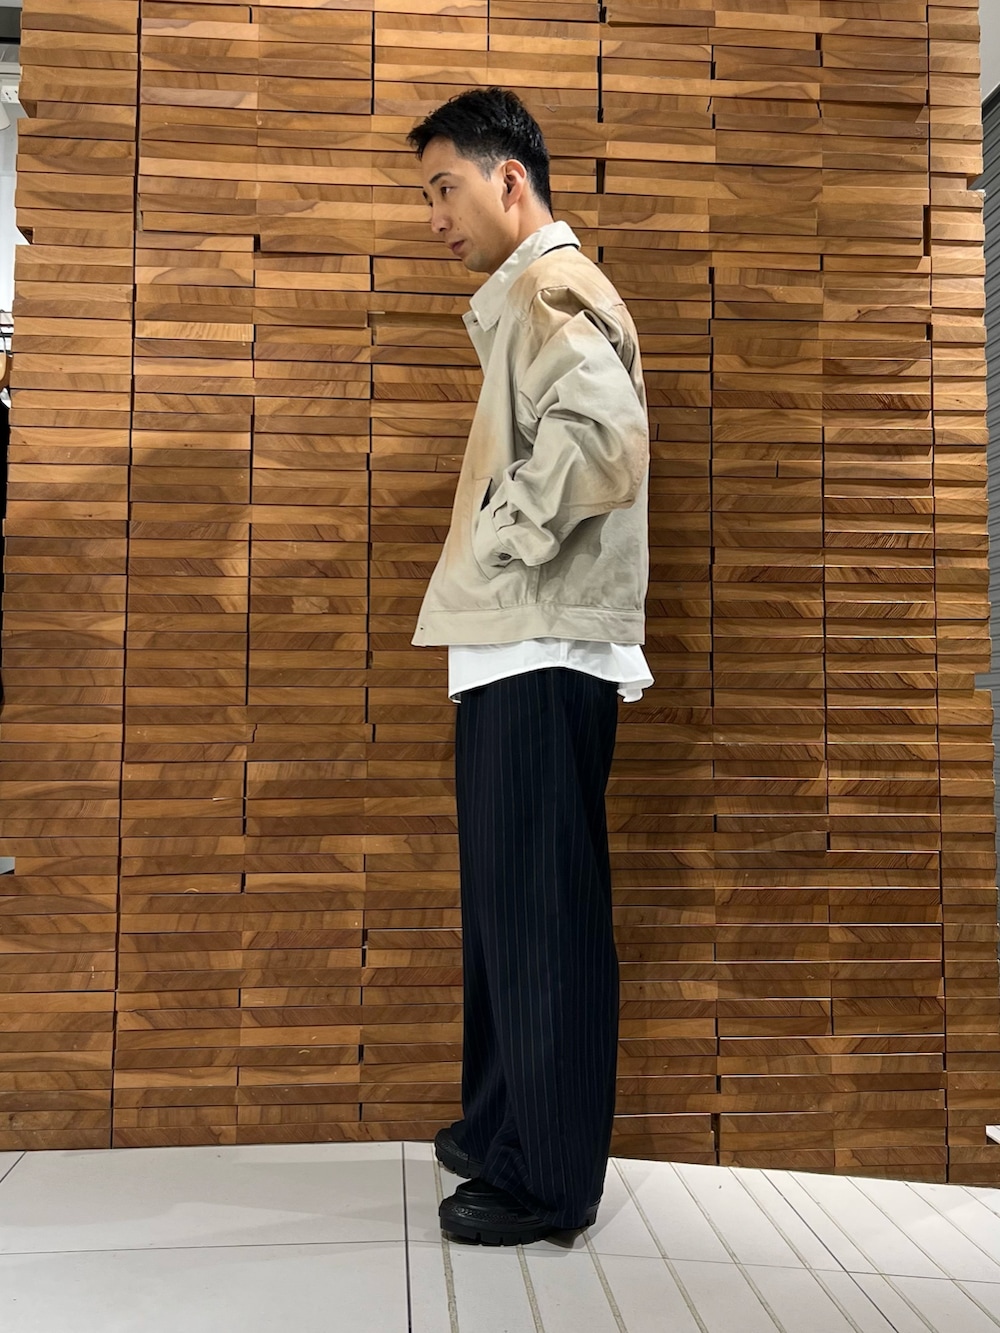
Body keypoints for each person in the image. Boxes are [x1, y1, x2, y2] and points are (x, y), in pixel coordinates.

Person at [407, 87, 652, 1247]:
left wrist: (502, 536)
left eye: (444, 188)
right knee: (508, 912)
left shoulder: (551, 283)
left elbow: (602, 438)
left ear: (509, 180)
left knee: (540, 915)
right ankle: (503, 1127)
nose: (434, 217)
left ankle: (549, 1179)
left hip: (540, 643)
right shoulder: (528, 291)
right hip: (521, 645)